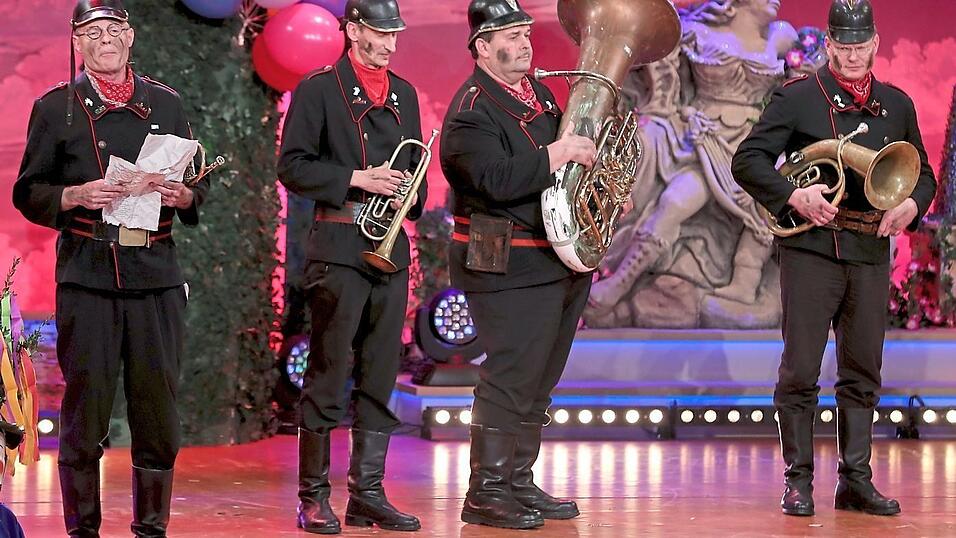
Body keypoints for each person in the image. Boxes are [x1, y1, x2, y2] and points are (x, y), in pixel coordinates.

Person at [11, 1, 210, 536]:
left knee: (157, 413)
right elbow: (28, 192)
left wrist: (185, 193)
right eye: (92, 32)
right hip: (88, 276)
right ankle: (83, 531)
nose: (105, 39)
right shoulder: (57, 108)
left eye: (114, 30)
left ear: (131, 37)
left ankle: (151, 530)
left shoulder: (166, 104)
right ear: (77, 43)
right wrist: (76, 193)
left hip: (157, 276)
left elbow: (200, 187)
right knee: (85, 412)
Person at [732, 0, 937, 518]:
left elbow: (925, 174)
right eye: (842, 46)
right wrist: (791, 195)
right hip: (811, 251)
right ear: (829, 45)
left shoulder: (897, 104)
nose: (850, 55)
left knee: (863, 370)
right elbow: (748, 159)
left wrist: (912, 205)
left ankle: (855, 482)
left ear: (874, 44)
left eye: (859, 46)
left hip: (870, 251)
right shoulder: (799, 97)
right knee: (800, 370)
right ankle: (797, 482)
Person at [439, 0, 598, 529]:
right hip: (506, 264)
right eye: (510, 35)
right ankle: (484, 492)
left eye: (526, 33)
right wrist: (560, 153)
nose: (525, 44)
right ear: (482, 48)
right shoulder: (470, 110)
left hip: (556, 261)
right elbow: (496, 179)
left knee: (538, 380)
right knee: (510, 376)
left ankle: (518, 482)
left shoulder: (541, 94)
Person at [276, 0, 426, 533]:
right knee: (328, 371)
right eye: (381, 34)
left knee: (381, 373)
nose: (389, 44)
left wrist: (411, 189)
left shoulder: (405, 93)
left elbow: (417, 172)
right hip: (339, 242)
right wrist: (358, 179)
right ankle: (313, 497)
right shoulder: (319, 88)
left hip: (390, 248)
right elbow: (291, 165)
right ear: (354, 29)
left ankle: (367, 493)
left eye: (395, 36)